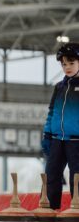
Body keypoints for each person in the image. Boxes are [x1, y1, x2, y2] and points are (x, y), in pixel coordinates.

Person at [42, 42, 79, 210]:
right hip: (57, 139)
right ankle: (51, 208)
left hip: (76, 140)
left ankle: (77, 208)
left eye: (71, 63)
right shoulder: (59, 87)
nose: (67, 67)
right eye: (64, 64)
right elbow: (52, 112)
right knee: (51, 175)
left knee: (76, 177)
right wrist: (47, 134)